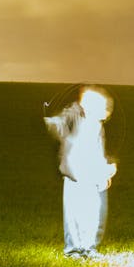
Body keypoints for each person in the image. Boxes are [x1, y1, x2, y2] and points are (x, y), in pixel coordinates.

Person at [44, 86, 118, 258]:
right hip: (75, 177)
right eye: (104, 109)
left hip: (92, 178)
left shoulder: (97, 126)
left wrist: (105, 170)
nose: (106, 114)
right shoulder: (75, 118)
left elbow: (96, 153)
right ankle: (73, 249)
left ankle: (88, 247)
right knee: (74, 215)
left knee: (93, 214)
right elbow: (59, 126)